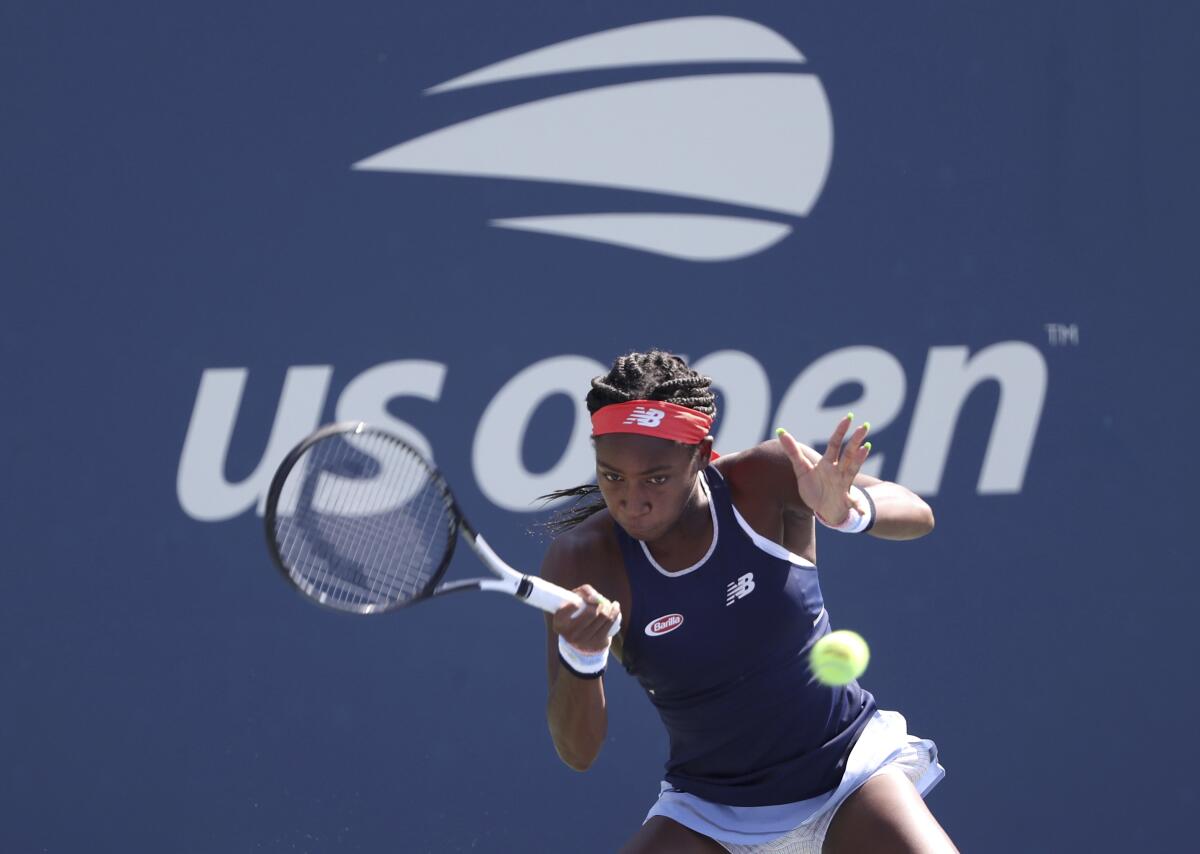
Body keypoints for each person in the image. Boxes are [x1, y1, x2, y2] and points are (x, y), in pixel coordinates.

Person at [539, 350, 958, 853]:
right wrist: (581, 658)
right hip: (710, 815)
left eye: (656, 478)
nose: (633, 499)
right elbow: (577, 752)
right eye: (612, 477)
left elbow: (918, 513)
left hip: (850, 775)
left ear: (700, 454)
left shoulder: (764, 479)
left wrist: (849, 510)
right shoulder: (584, 561)